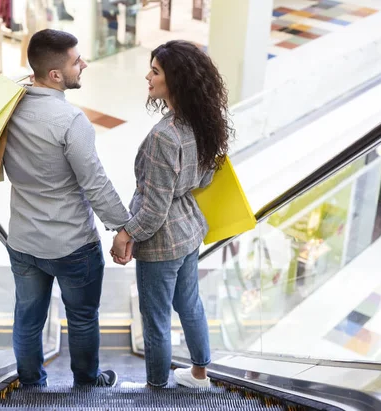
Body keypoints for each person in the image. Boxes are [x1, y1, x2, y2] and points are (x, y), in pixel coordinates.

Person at [3, 29, 132, 388]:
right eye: (77, 61)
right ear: (56, 75)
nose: (84, 64)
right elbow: (95, 183)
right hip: (72, 244)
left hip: (23, 241)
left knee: (28, 319)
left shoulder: (8, 108)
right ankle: (87, 383)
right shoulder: (71, 122)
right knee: (82, 318)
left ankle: (30, 384)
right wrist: (123, 227)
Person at [111, 40, 233, 388]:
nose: (147, 76)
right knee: (190, 304)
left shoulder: (163, 136)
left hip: (162, 243)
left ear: (175, 80)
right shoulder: (204, 121)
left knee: (156, 318)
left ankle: (156, 388)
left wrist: (125, 233)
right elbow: (205, 177)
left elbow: (153, 209)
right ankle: (199, 375)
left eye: (155, 71)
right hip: (190, 230)